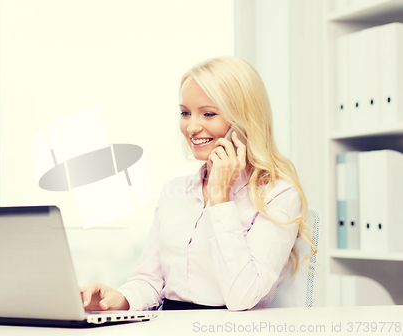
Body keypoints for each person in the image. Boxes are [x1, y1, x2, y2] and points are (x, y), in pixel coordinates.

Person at [80, 56, 317, 312]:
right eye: (185, 113)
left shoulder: (278, 196)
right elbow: (149, 281)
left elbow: (243, 297)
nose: (192, 127)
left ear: (244, 120)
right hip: (169, 325)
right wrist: (118, 300)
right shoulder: (175, 193)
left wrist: (220, 198)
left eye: (208, 113)